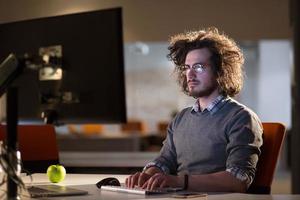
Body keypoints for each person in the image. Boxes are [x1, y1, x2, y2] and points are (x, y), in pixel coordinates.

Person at [125, 27, 263, 193]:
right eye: (186, 67)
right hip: (177, 197)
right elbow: (164, 161)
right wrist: (149, 175)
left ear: (221, 71)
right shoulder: (181, 118)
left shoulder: (241, 118)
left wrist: (177, 181)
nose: (189, 74)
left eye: (198, 67)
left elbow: (238, 180)